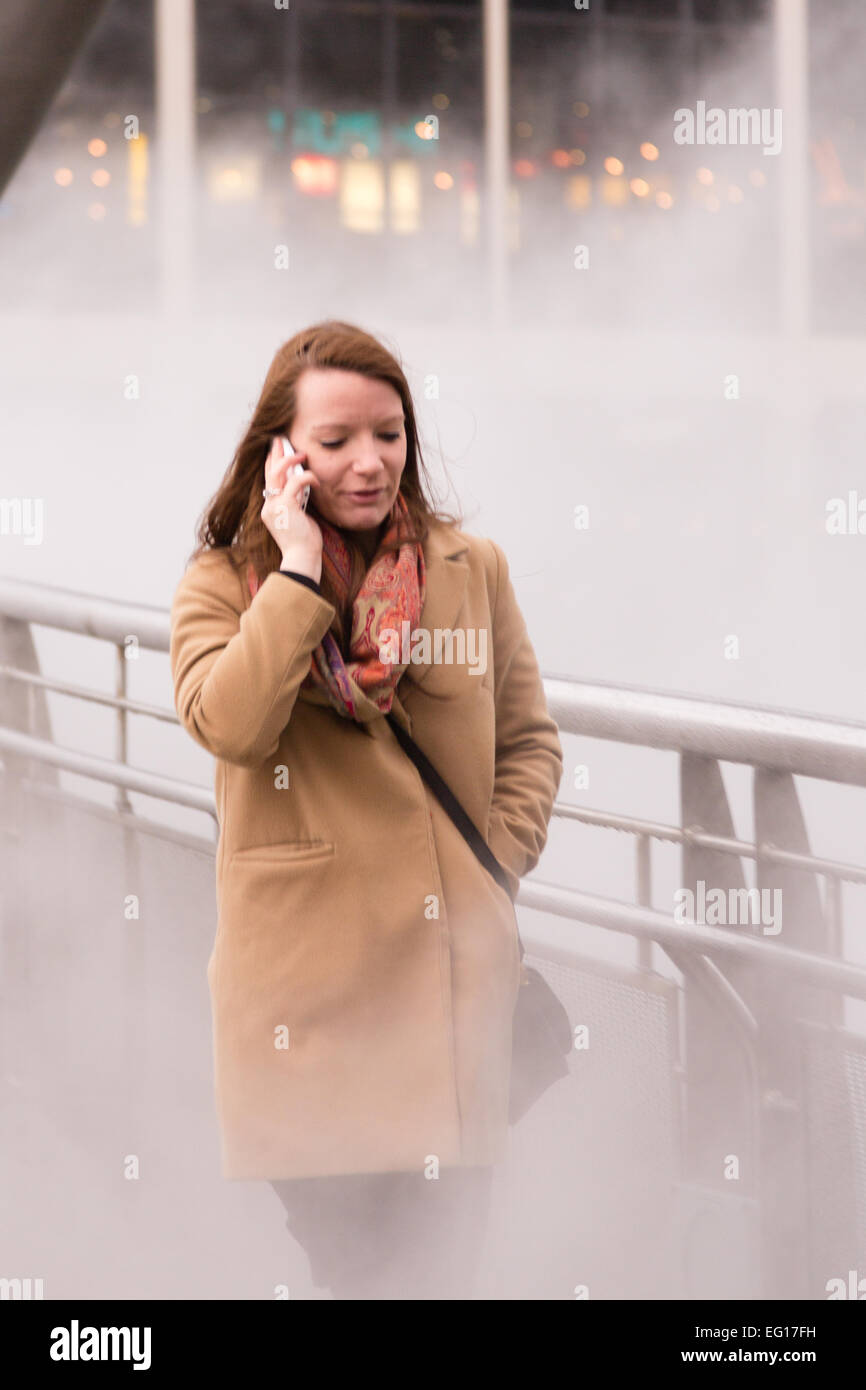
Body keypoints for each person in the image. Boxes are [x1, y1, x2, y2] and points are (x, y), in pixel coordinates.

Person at [169, 320, 563, 1299]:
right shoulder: (224, 583)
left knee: (439, 1276)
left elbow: (528, 741)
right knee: (364, 1279)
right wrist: (298, 572)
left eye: (388, 434)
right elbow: (229, 722)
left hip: (448, 1008)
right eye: (336, 439)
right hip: (310, 1024)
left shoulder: (470, 571)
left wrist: (489, 867)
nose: (369, 461)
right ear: (282, 452)